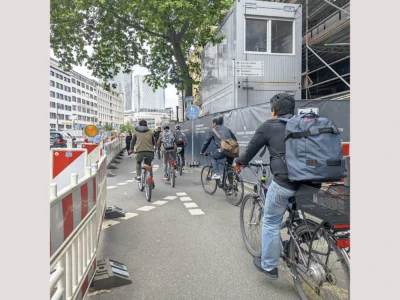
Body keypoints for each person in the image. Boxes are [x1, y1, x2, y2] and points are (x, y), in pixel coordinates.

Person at [235, 93, 319, 280]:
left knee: (271, 221)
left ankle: (269, 265)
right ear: (293, 110)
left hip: (284, 183)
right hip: (312, 183)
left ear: (273, 111)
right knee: (292, 203)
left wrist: (239, 162)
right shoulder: (306, 123)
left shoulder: (269, 126)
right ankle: (301, 232)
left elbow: (249, 152)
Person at [200, 116, 237, 180]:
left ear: (214, 123)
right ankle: (232, 186)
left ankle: (216, 173)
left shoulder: (213, 130)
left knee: (213, 158)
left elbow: (206, 142)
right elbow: (235, 140)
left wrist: (202, 151)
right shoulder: (227, 129)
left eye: (212, 123)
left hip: (223, 150)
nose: (212, 124)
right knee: (229, 167)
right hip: (232, 151)